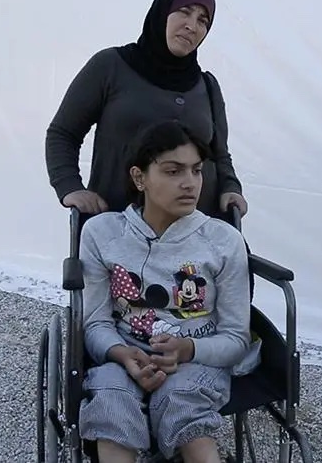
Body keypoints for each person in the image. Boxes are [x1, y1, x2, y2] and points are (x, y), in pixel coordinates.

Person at [78, 120, 251, 463]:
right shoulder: (102, 234)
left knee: (182, 400)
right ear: (139, 178)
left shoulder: (222, 240)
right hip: (124, 353)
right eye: (173, 171)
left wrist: (187, 349)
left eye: (197, 171)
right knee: (112, 398)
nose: (190, 183)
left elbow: (236, 338)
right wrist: (122, 355)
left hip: (198, 356)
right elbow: (95, 323)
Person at [44, 0, 248, 220]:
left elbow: (220, 155)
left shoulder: (207, 86)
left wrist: (231, 189)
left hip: (195, 238)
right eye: (184, 12)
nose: (192, 26)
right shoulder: (111, 66)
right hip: (119, 231)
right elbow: (63, 133)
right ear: (162, 12)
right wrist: (69, 186)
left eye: (203, 21)